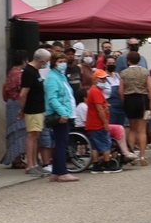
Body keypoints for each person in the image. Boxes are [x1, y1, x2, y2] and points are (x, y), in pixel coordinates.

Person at [44, 53, 80, 182]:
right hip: (60, 115)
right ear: (54, 63)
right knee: (61, 144)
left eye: (64, 60)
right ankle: (62, 172)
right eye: (60, 61)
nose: (63, 63)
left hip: (67, 113)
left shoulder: (61, 76)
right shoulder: (52, 78)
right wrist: (63, 113)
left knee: (61, 143)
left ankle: (56, 172)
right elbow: (52, 98)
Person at [18, 49, 52, 177]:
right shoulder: (29, 72)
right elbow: (23, 94)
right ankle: (30, 165)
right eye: (46, 61)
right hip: (32, 109)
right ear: (42, 61)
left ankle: (34, 163)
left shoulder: (35, 71)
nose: (47, 63)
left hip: (38, 108)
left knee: (35, 136)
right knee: (32, 136)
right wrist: (22, 109)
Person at [86, 70, 123, 174]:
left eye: (104, 78)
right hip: (98, 123)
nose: (104, 80)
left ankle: (96, 164)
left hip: (93, 123)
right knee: (106, 143)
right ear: (95, 79)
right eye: (101, 78)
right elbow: (99, 109)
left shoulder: (94, 90)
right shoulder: (96, 91)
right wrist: (105, 123)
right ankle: (107, 164)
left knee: (95, 145)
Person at [119, 51, 151, 166]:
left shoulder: (123, 73)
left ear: (128, 61)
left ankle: (131, 156)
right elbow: (150, 88)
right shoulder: (145, 71)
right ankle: (142, 156)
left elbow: (120, 91)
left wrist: (124, 102)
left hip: (129, 99)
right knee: (142, 130)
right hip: (142, 99)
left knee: (132, 129)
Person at [2, 50, 28, 170]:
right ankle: (16, 159)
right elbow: (21, 89)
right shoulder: (18, 74)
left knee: (15, 131)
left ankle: (16, 158)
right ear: (23, 60)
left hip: (11, 103)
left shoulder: (11, 72)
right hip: (17, 103)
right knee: (19, 131)